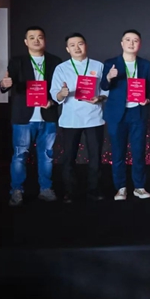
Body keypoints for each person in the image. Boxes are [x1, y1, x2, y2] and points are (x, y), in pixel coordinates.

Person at [0, 26, 62, 206]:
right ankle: (17, 191)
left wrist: (52, 101)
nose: (36, 40)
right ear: (26, 42)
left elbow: (59, 88)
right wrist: (4, 84)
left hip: (47, 115)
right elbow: (7, 83)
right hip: (23, 117)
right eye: (32, 37)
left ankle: (46, 189)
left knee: (47, 156)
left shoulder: (55, 61)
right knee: (20, 155)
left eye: (40, 37)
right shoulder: (17, 61)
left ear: (45, 40)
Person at [51, 33, 107, 203]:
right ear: (67, 49)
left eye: (80, 44)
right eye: (72, 45)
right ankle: (69, 191)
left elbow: (106, 90)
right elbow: (55, 95)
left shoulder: (98, 66)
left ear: (86, 45)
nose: (77, 48)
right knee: (69, 157)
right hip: (70, 119)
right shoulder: (61, 68)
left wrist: (100, 98)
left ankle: (94, 190)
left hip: (94, 117)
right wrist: (62, 93)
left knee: (95, 157)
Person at [101, 30, 150, 201]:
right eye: (128, 40)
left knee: (138, 152)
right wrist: (109, 77)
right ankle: (121, 188)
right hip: (117, 114)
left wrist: (147, 99)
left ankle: (139, 186)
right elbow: (104, 86)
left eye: (135, 40)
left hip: (137, 113)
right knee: (118, 153)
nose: (131, 43)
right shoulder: (111, 63)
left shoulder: (145, 64)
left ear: (140, 44)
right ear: (122, 43)